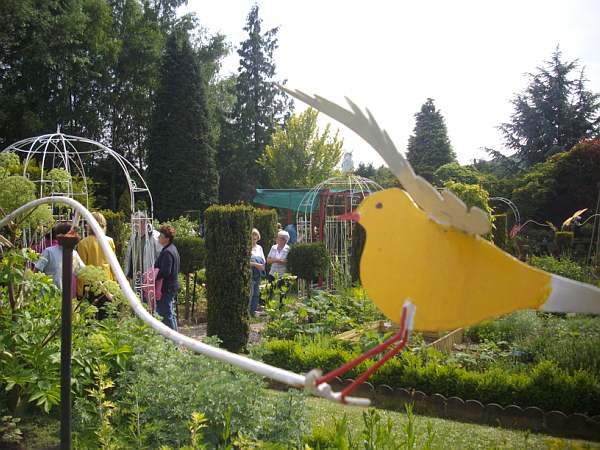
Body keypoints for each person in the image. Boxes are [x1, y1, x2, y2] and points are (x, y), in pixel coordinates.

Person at [77, 212, 116, 319]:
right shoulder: (110, 241)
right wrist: (116, 283)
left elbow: (81, 269)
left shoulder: (83, 243)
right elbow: (114, 265)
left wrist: (80, 291)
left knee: (91, 318)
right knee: (107, 317)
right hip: (108, 283)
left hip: (90, 285)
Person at [34, 222, 85, 291]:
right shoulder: (49, 252)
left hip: (68, 294)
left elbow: (83, 272)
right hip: (50, 294)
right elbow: (37, 270)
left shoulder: (74, 254)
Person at [124, 211, 162, 300]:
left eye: (136, 222)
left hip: (150, 276)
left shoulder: (154, 236)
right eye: (133, 223)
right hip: (136, 275)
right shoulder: (134, 237)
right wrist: (128, 273)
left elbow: (161, 255)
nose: (134, 225)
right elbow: (129, 256)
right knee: (137, 300)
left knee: (150, 301)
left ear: (144, 221)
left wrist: (157, 274)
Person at [154, 225, 180, 330]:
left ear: (167, 239)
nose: (159, 237)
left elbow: (166, 272)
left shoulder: (167, 252)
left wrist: (154, 274)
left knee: (167, 315)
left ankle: (173, 343)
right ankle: (176, 341)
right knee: (170, 314)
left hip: (166, 288)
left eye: (161, 235)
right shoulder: (172, 249)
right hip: (171, 286)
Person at [267, 230, 290, 303]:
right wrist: (276, 260)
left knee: (283, 292)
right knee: (270, 291)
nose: (276, 239)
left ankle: (282, 308)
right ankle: (268, 307)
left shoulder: (288, 249)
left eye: (278, 237)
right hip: (273, 273)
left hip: (283, 274)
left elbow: (288, 261)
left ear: (284, 240)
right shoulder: (273, 247)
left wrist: (278, 261)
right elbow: (268, 260)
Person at [249, 228, 265, 316]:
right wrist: (256, 264)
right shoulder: (247, 247)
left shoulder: (259, 248)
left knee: (256, 293)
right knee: (250, 292)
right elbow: (245, 262)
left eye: (255, 235)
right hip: (251, 272)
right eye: (252, 235)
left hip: (258, 273)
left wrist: (261, 266)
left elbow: (263, 260)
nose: (254, 237)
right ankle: (247, 311)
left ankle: (253, 311)